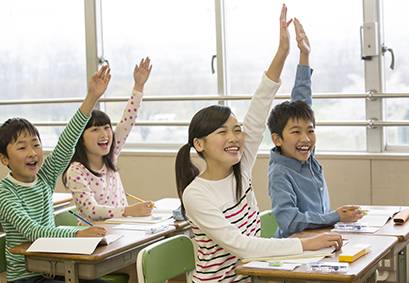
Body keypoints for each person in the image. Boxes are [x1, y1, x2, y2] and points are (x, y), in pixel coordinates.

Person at [174, 4, 342, 282]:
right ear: (199, 144)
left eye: (236, 130)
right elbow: (242, 245)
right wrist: (305, 244)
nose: (234, 138)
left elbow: (260, 103)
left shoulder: (240, 166)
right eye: (222, 132)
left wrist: (283, 53)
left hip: (256, 275)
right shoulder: (196, 195)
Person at [0, 66, 110, 283]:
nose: (32, 153)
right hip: (26, 277)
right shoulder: (5, 193)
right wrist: (77, 234)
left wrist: (91, 97)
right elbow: (33, 231)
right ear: (4, 159)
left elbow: (66, 143)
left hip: (54, 267)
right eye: (22, 148)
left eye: (36, 145)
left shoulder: (43, 178)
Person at [267, 18, 364, 238]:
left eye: (310, 131)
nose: (306, 138)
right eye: (296, 132)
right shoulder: (280, 173)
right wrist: (334, 217)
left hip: (319, 240)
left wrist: (304, 54)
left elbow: (302, 100)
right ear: (277, 139)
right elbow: (289, 221)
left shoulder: (306, 156)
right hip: (296, 251)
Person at [62, 57, 154, 222]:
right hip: (94, 238)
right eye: (95, 129)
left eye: (106, 128)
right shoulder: (76, 171)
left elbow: (127, 121)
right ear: (80, 138)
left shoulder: (110, 156)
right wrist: (128, 210)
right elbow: (91, 211)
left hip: (121, 230)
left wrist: (139, 86)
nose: (104, 134)